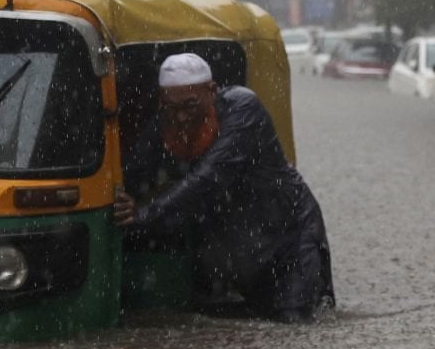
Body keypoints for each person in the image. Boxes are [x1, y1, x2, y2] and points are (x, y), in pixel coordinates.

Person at [113, 53, 335, 323]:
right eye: (171, 107)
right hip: (238, 242)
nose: (181, 117)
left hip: (290, 233)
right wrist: (121, 201)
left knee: (295, 321)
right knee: (227, 320)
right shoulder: (165, 122)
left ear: (212, 91)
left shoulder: (243, 109)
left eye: (190, 106)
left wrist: (143, 217)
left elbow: (207, 180)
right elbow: (134, 173)